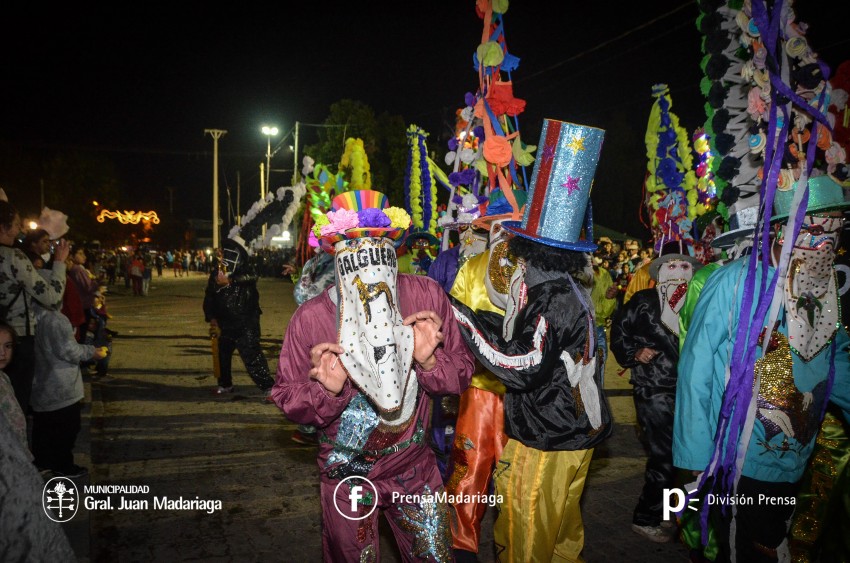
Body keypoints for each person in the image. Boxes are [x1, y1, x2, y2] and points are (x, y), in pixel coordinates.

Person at [271, 190, 474, 561]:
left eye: (375, 243)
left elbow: (461, 375)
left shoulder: (425, 297)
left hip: (414, 467)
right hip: (348, 473)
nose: (366, 258)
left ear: (392, 248)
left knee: (434, 555)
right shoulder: (312, 318)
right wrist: (326, 393)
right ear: (335, 254)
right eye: (354, 245)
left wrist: (429, 362)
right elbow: (287, 397)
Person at [450, 119, 613, 561]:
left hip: (547, 439)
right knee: (562, 541)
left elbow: (521, 365)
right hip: (575, 437)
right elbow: (527, 333)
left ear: (529, 248)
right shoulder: (570, 287)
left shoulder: (551, 295)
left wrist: (457, 317)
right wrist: (476, 316)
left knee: (525, 544)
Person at [674, 176, 850, 562]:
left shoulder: (823, 291)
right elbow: (696, 367)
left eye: (836, 229)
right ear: (782, 231)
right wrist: (694, 456)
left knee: (774, 542)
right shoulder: (735, 283)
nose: (825, 243)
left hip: (793, 459)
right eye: (815, 229)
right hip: (737, 457)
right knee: (742, 548)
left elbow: (835, 362)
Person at [610, 239, 702, 543]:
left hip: (688, 390)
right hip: (653, 390)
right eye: (671, 265)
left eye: (684, 266)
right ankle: (645, 516)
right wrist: (635, 352)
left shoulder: (697, 301)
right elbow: (619, 332)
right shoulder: (644, 301)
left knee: (683, 457)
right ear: (660, 270)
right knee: (663, 457)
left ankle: (668, 513)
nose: (678, 271)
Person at [0, 200, 69, 416]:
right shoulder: (13, 258)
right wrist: (59, 263)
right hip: (16, 340)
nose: (19, 229)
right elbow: (50, 296)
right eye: (16, 224)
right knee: (16, 405)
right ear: (3, 227)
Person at [30, 298, 107, 478]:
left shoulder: (33, 315)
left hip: (41, 384)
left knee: (43, 426)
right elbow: (68, 351)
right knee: (67, 427)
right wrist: (92, 352)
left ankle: (43, 462)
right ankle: (63, 465)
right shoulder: (55, 319)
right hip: (60, 384)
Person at [203, 238, 275, 397]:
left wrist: (230, 280)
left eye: (232, 253)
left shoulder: (245, 270)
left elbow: (253, 276)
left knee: (252, 356)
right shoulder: (216, 272)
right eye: (225, 252)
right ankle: (225, 384)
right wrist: (211, 317)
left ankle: (269, 387)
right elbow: (209, 297)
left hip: (246, 323)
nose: (227, 256)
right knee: (222, 356)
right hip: (224, 324)